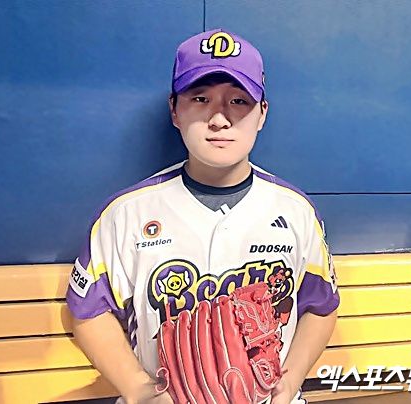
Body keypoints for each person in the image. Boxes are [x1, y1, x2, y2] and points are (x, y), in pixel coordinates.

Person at [66, 28, 339, 404]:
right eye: (200, 98)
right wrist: (138, 390)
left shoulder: (296, 210)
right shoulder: (125, 214)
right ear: (174, 110)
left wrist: (290, 383)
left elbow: (321, 306)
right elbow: (88, 311)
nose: (219, 119)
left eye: (239, 101)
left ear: (262, 114)